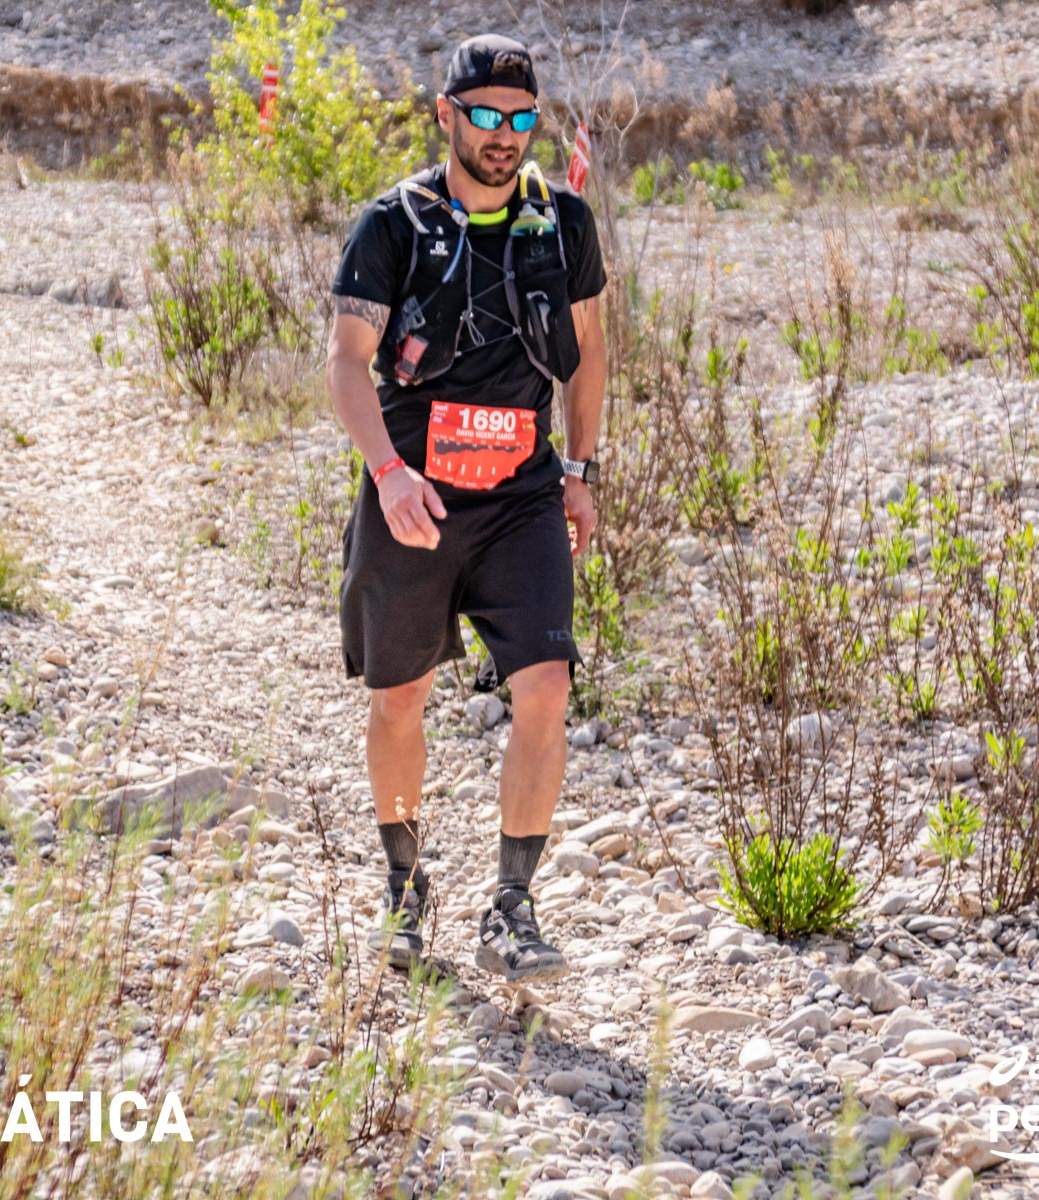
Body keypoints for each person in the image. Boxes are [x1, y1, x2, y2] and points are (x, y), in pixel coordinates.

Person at [326, 34, 606, 983]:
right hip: (418, 494)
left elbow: (590, 353)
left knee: (547, 688)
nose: (504, 135)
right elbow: (346, 364)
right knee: (400, 694)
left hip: (523, 493)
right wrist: (388, 473)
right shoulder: (393, 225)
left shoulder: (561, 223)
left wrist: (581, 469)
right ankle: (404, 891)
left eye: (521, 118)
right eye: (485, 115)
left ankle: (512, 909)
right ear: (446, 115)